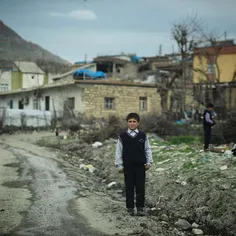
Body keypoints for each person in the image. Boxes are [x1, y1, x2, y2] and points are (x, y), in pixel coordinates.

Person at [115, 113, 153, 216]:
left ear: (138, 123)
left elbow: (147, 149)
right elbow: (118, 151)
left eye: (134, 121)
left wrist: (149, 162)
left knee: (140, 187)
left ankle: (140, 208)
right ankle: (130, 208)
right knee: (129, 187)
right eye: (130, 121)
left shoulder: (142, 136)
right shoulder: (122, 137)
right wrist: (119, 165)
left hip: (140, 166)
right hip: (128, 166)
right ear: (127, 123)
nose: (132, 124)